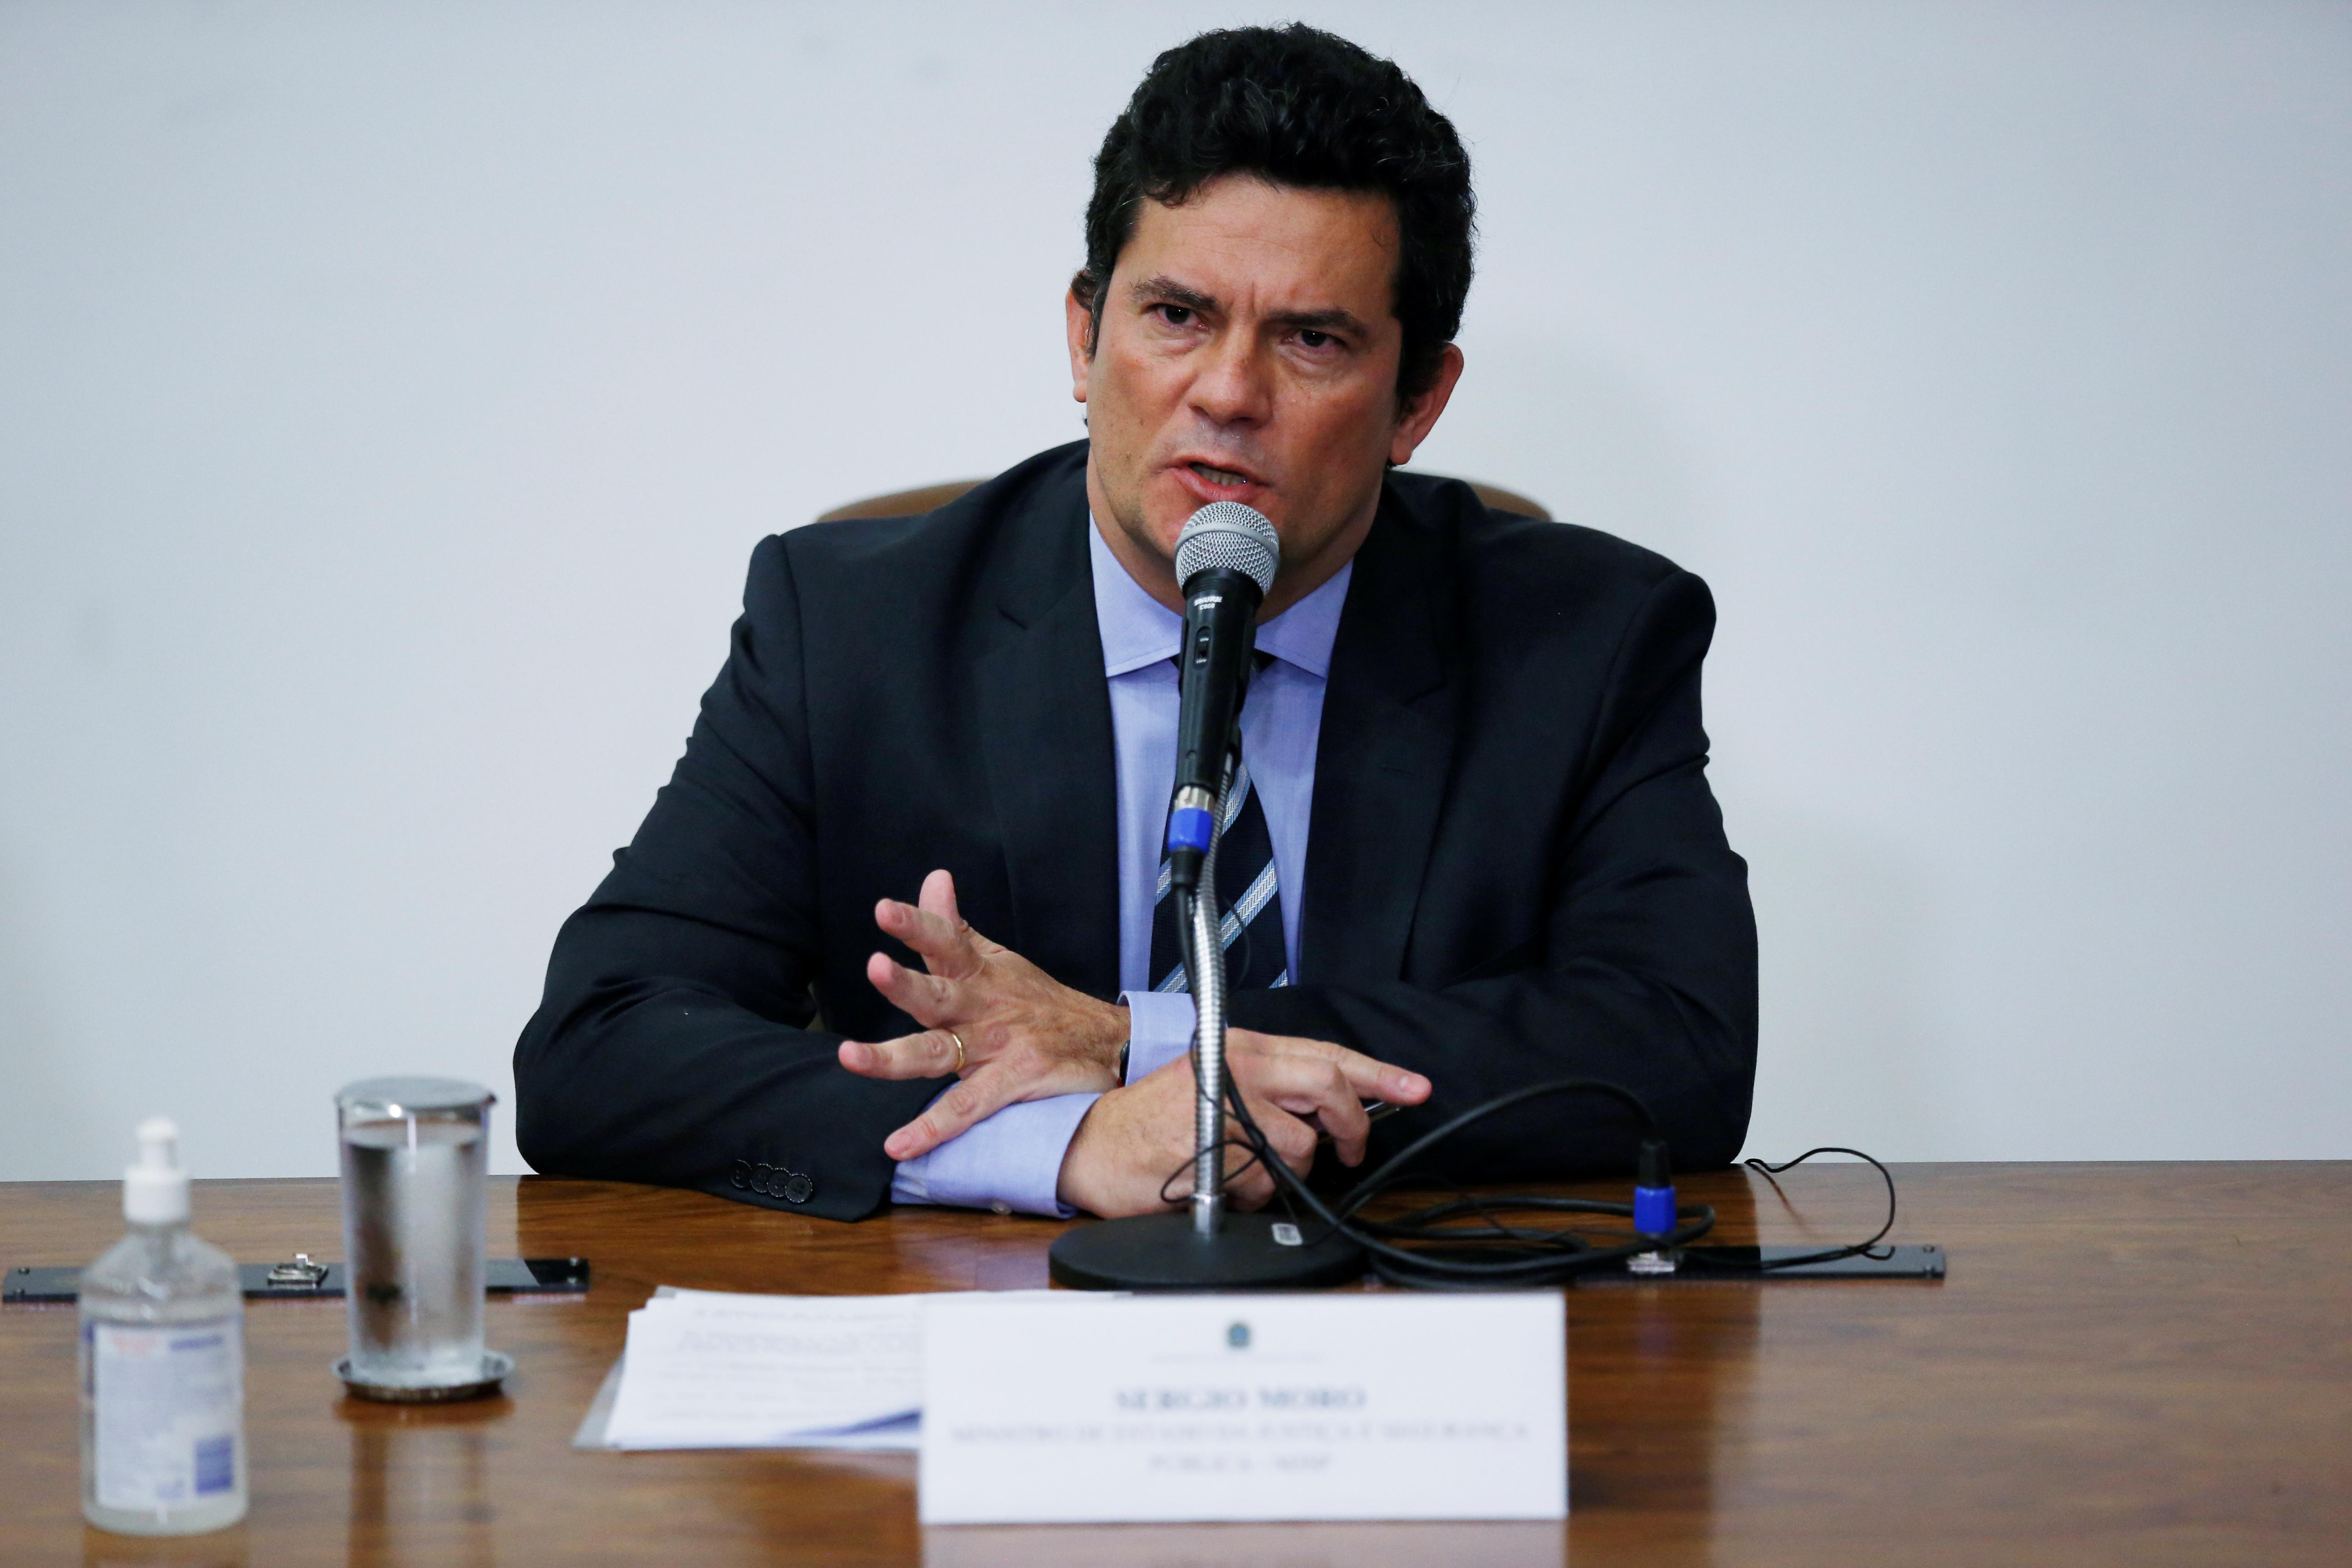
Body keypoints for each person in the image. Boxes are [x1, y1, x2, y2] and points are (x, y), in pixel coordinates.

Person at [514, 24, 1757, 1222]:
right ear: (1083, 332)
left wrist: (1138, 1043)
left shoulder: (1586, 641)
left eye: (1312, 340)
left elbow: (1677, 1051)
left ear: (1419, 398)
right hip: (980, 1341)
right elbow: (600, 1044)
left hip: (1405, 1333)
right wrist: (1058, 1143)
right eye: (1176, 316)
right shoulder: (854, 630)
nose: (1227, 393)